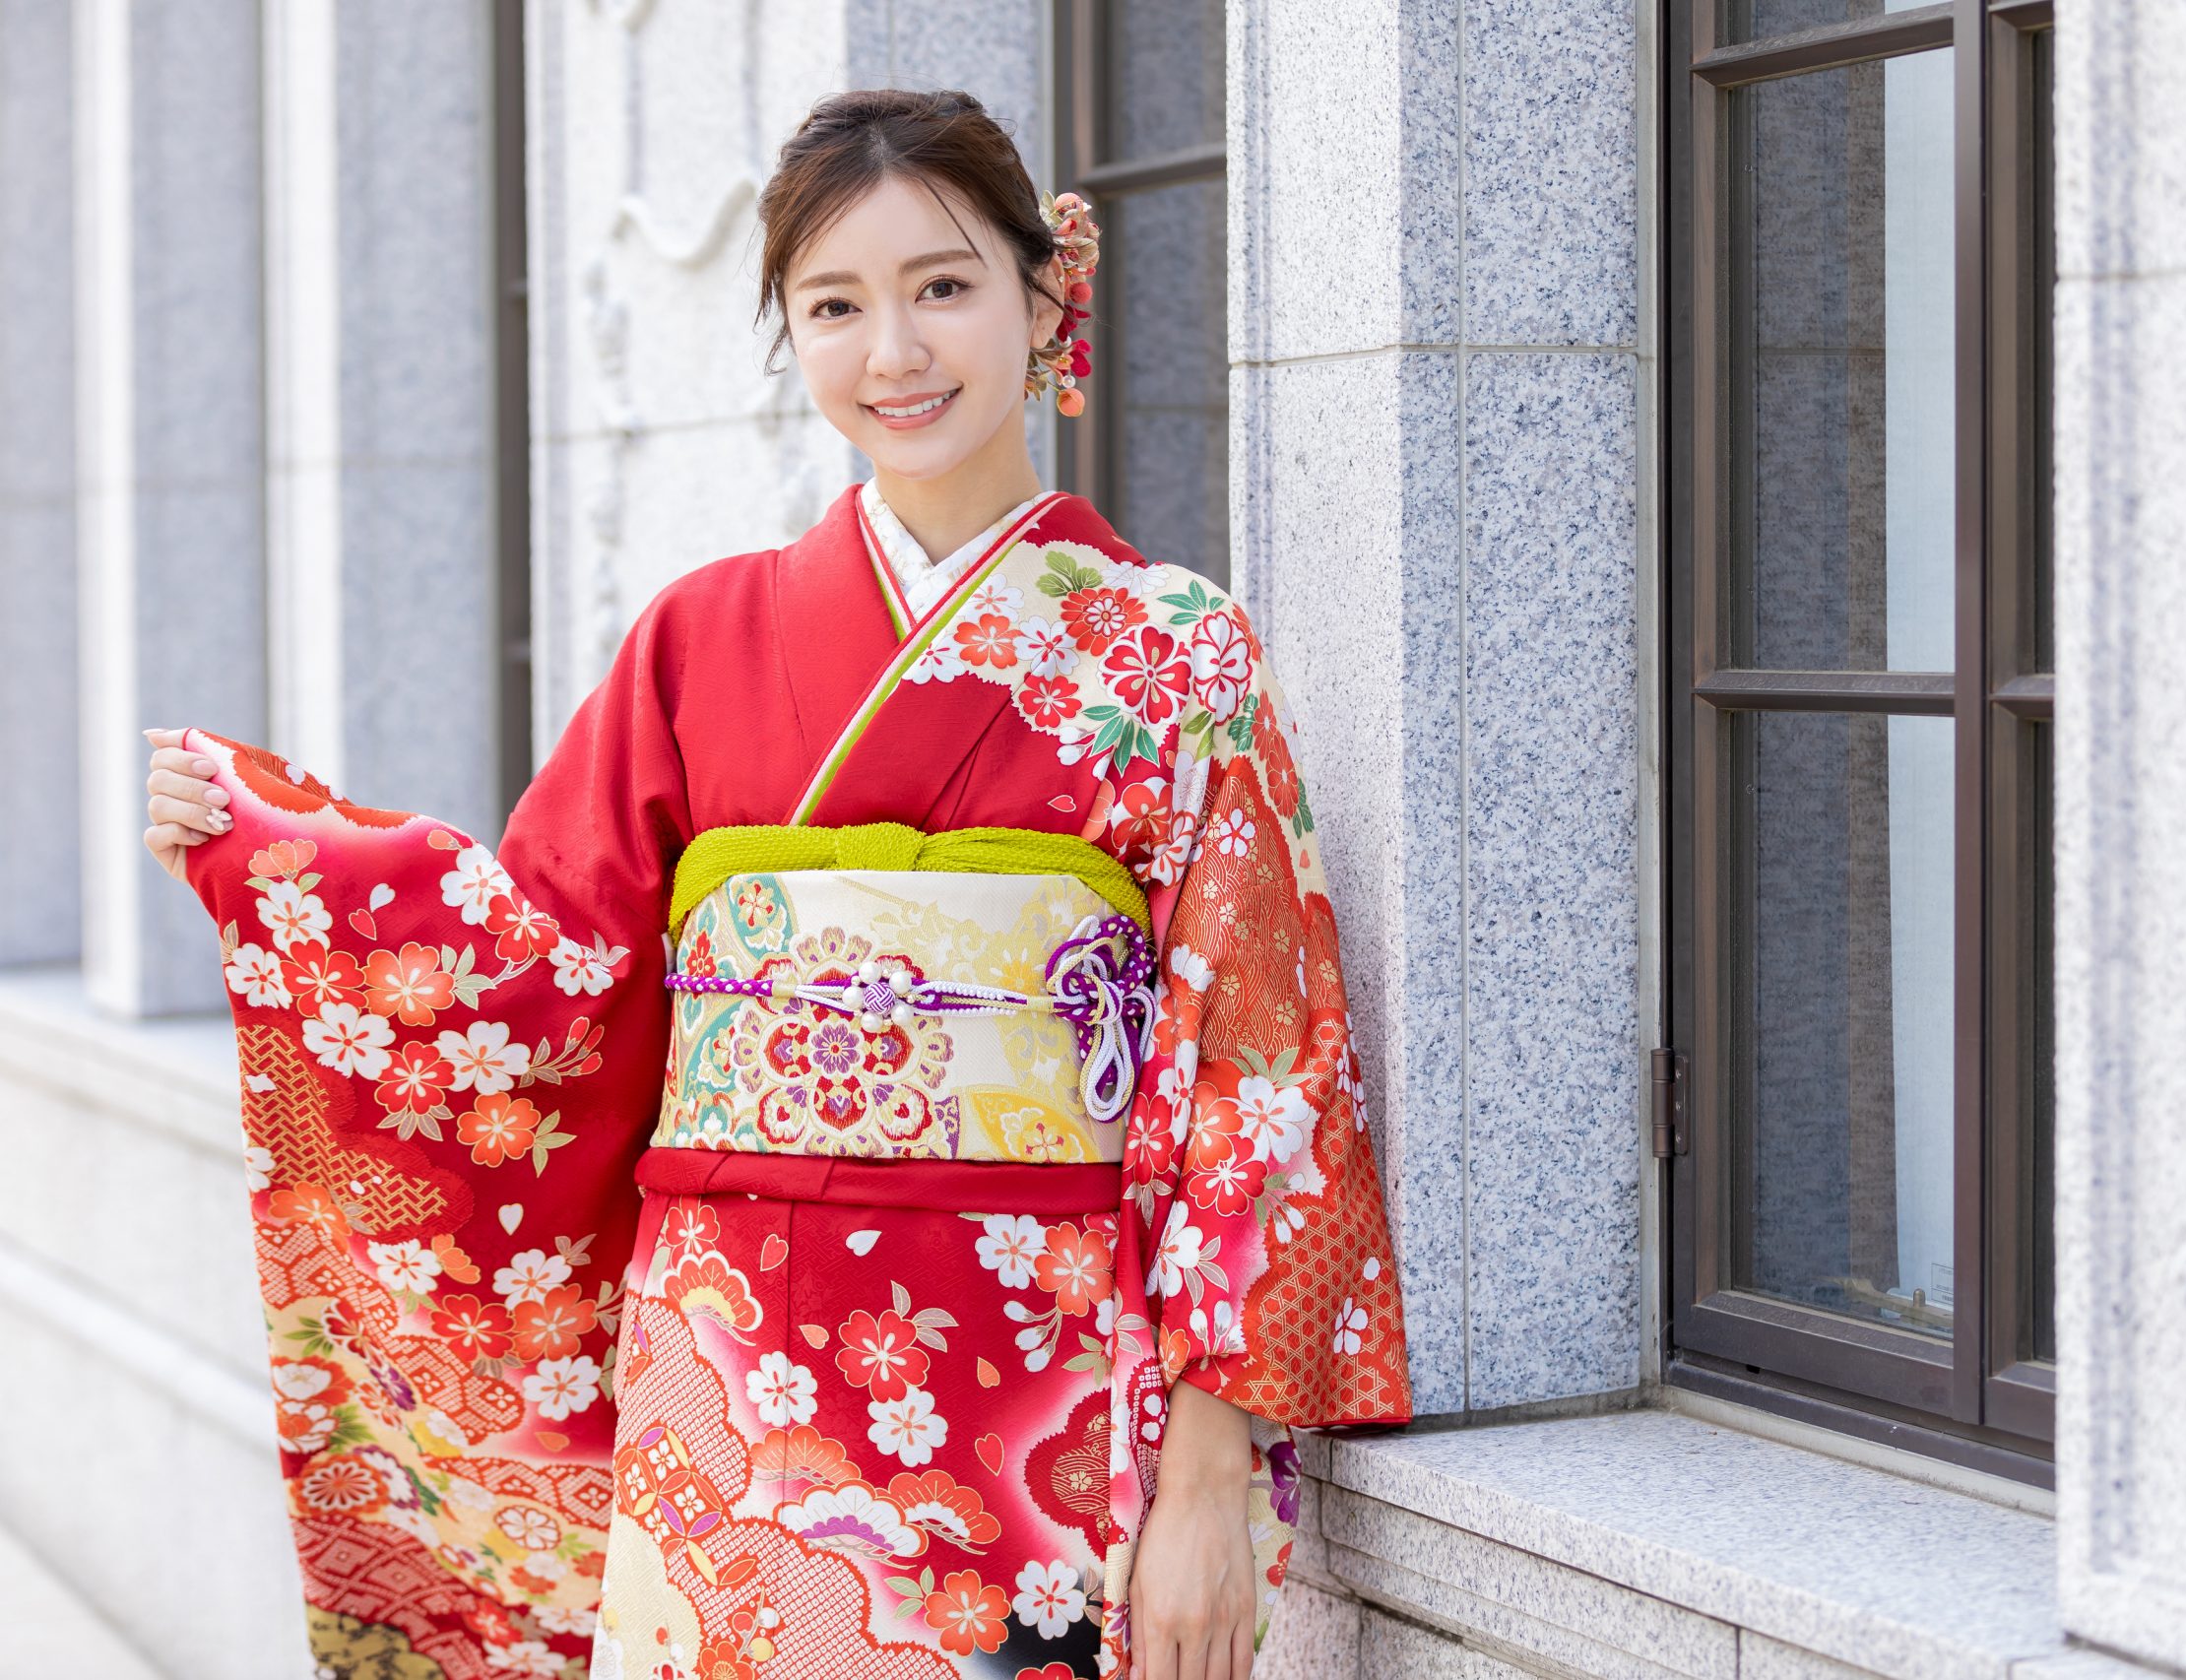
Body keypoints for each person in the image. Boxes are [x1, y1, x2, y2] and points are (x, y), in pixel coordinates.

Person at [139, 87, 1409, 1680]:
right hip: (731, 1386)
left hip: (1040, 1383)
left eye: (942, 285)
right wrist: (282, 856)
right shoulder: (701, 640)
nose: (896, 350)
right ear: (792, 336)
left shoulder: (1172, 657)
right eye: (834, 305)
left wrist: (1209, 1483)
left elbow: (1254, 1074)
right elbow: (539, 968)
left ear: (1044, 293)